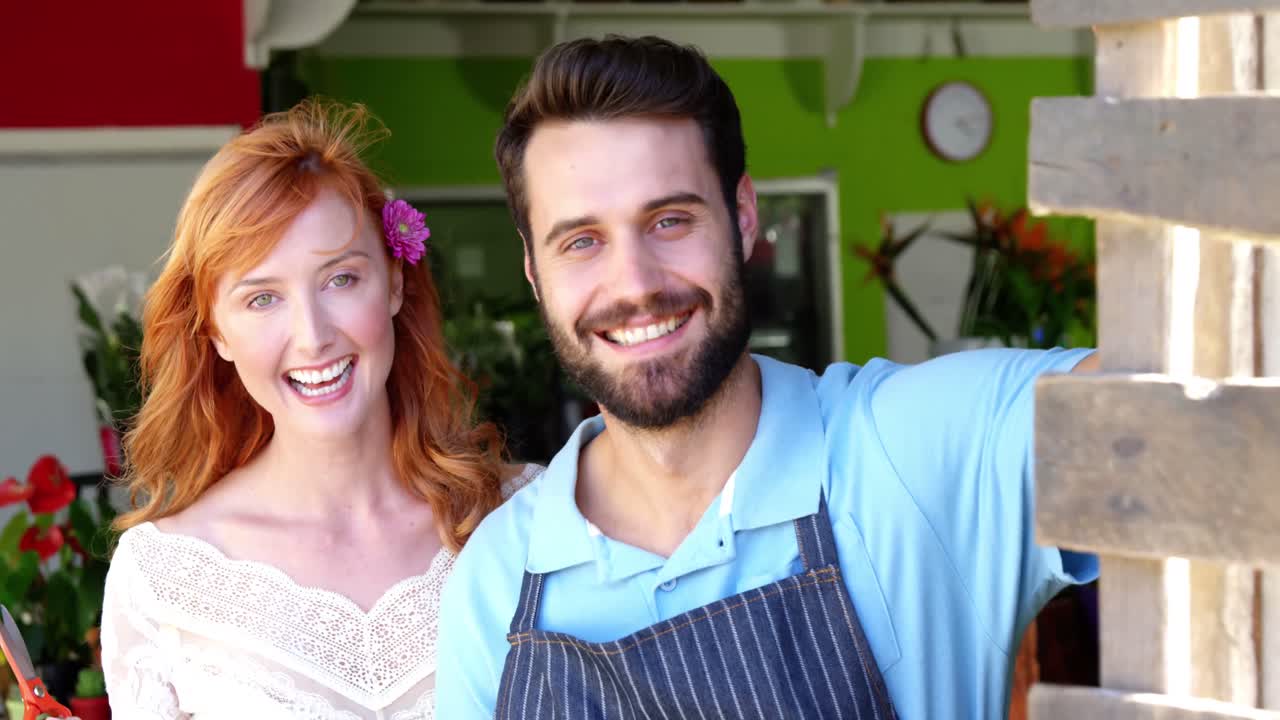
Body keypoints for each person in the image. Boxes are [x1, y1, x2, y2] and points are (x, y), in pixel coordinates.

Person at [434, 35, 1102, 719]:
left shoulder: (920, 452)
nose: (633, 284)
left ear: (744, 217)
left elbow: (1183, 404)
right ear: (534, 273)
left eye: (669, 220)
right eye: (581, 241)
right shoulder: (498, 584)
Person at [99, 99, 538, 719]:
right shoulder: (162, 579)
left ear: (394, 282)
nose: (311, 336)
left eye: (340, 279)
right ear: (216, 333)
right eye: (261, 299)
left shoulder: (530, 519)